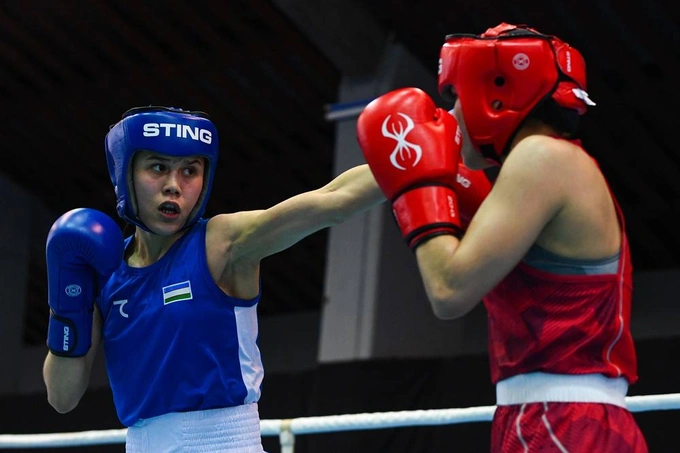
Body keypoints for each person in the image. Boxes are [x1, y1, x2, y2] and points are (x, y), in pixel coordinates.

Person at [357, 23, 648, 452]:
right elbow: (343, 195)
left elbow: (449, 289)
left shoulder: (542, 157)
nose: (453, 116)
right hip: (557, 419)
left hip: (562, 421)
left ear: (496, 95)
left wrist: (418, 191)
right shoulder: (553, 167)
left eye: (456, 98)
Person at [42, 105, 388, 452]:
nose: (174, 186)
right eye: (158, 167)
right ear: (125, 174)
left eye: (190, 171)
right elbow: (62, 397)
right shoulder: (105, 271)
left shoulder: (221, 243)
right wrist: (66, 305)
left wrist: (411, 156)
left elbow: (333, 200)